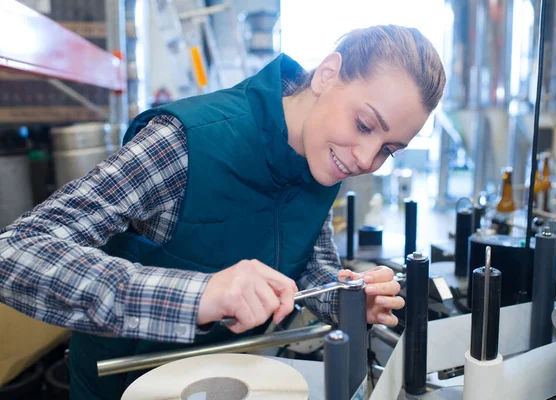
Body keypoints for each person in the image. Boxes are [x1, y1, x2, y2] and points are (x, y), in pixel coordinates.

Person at [0, 24, 445, 399]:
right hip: (127, 386)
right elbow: (16, 253)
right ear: (328, 75)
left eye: (388, 149)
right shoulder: (184, 143)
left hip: (243, 382)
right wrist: (200, 295)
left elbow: (308, 263)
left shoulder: (325, 156)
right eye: (365, 125)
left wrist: (345, 297)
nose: (367, 159)